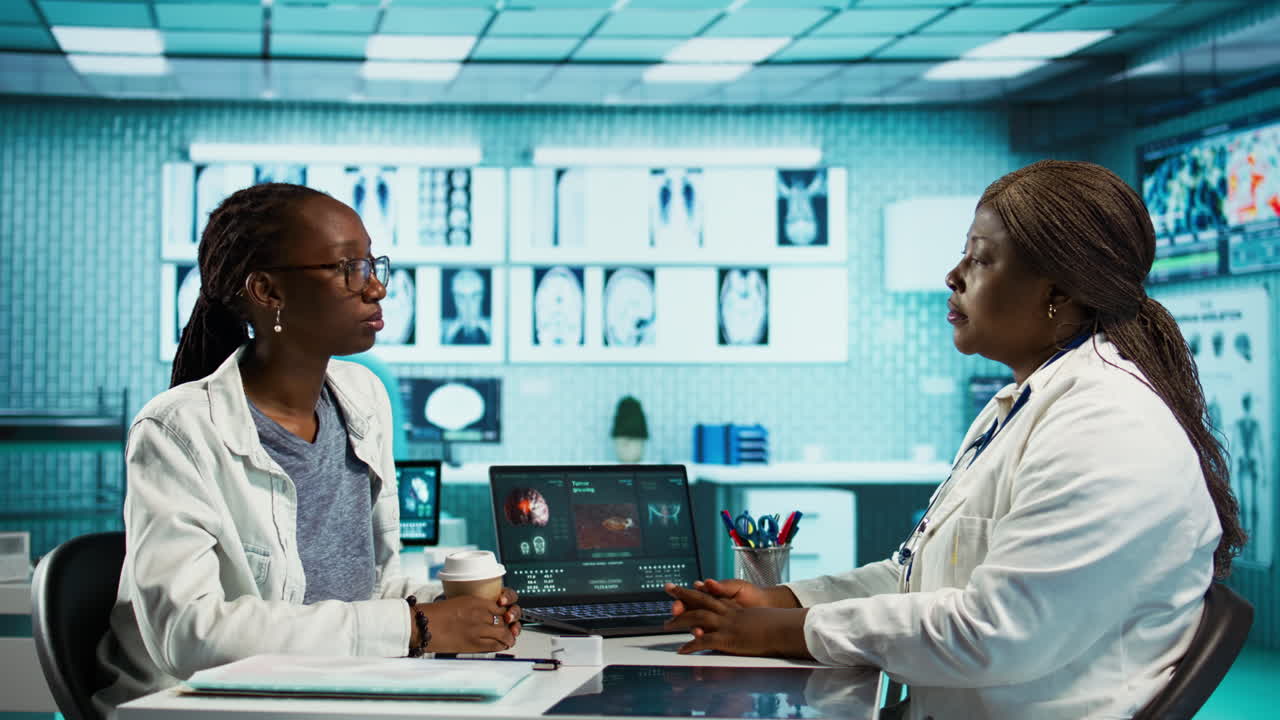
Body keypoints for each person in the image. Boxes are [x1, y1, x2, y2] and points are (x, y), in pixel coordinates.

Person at [664, 160, 1247, 720]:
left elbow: (994, 632)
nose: (953, 276)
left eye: (981, 258)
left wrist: (785, 631)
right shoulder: (1021, 407)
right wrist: (784, 602)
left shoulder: (1107, 426)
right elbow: (914, 577)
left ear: (1060, 293)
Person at [94, 183, 522, 714]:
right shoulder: (177, 429)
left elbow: (370, 587)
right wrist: (412, 626)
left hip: (331, 690)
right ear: (267, 291)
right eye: (349, 269)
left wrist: (450, 606)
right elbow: (189, 634)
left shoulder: (362, 399)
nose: (376, 288)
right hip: (198, 705)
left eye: (373, 265)